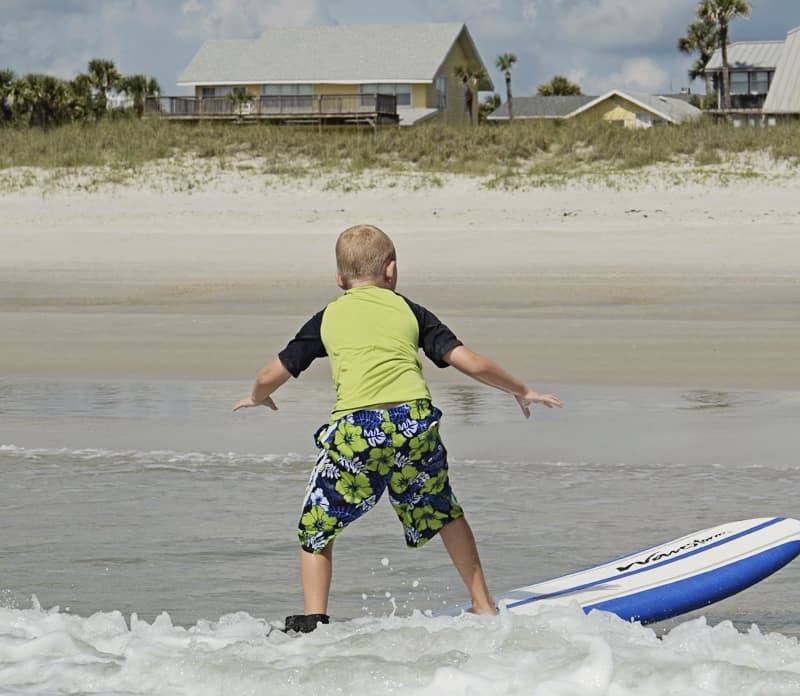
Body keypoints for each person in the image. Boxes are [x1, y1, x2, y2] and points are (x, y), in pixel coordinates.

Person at [234, 224, 563, 633]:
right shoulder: (411, 311)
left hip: (357, 430)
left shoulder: (328, 316)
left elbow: (272, 372)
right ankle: (483, 606)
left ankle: (314, 622)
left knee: (317, 526)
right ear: (391, 271)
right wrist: (521, 389)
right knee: (444, 511)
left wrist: (258, 395)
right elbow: (471, 362)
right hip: (413, 424)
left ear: (339, 279)